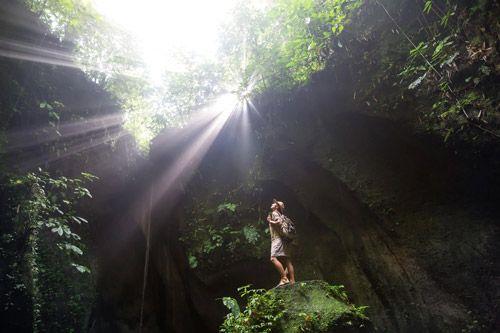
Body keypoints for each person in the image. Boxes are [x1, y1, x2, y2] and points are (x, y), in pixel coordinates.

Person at [267, 199, 295, 286]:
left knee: (273, 258)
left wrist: (270, 221)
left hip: (277, 239)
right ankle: (292, 280)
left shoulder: (274, 213)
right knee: (287, 260)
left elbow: (278, 223)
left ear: (276, 206)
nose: (272, 204)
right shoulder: (281, 215)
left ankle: (284, 278)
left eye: (274, 204)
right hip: (284, 239)